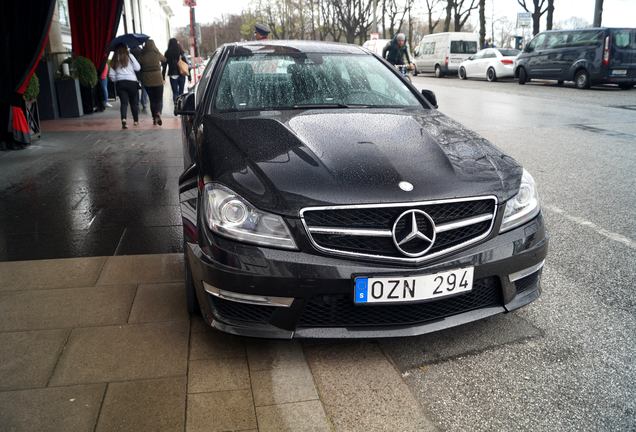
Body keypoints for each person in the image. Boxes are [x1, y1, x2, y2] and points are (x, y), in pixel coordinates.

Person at [109, 44, 141, 129]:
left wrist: (117, 79)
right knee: (133, 103)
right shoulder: (130, 56)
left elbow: (111, 75)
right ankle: (136, 121)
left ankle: (124, 120)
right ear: (125, 48)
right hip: (132, 83)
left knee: (124, 103)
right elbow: (138, 68)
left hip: (121, 83)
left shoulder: (115, 58)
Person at [138, 39, 167, 126]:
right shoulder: (156, 53)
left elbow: (138, 64)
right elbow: (164, 60)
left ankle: (154, 118)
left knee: (152, 100)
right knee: (159, 99)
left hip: (147, 80)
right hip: (158, 79)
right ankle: (158, 113)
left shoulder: (142, 55)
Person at [162, 38, 190, 104]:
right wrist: (189, 76)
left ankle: (176, 105)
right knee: (181, 92)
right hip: (182, 73)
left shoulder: (167, 52)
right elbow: (186, 64)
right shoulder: (181, 51)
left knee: (175, 92)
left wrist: (163, 76)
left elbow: (164, 65)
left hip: (172, 74)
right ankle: (181, 105)